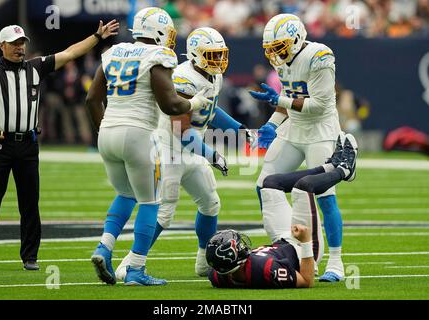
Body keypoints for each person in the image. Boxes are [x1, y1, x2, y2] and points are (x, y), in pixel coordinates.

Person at [0, 20, 119, 272]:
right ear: (2, 46)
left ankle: (30, 256)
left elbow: (71, 52)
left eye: (22, 43)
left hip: (28, 145)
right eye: (14, 43)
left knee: (30, 203)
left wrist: (97, 36)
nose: (19, 48)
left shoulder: (36, 67)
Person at [85, 7, 211, 286]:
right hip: (138, 133)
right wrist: (195, 103)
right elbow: (170, 104)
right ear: (159, 31)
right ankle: (136, 269)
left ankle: (104, 247)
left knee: (125, 194)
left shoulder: (113, 52)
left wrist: (106, 129)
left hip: (107, 133)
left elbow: (92, 99)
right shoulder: (158, 55)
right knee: (150, 202)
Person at [122, 27, 257, 279]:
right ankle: (131, 264)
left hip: (189, 148)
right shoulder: (183, 77)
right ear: (195, 54)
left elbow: (210, 112)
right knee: (163, 211)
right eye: (212, 54)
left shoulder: (212, 76)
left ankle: (204, 262)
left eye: (220, 54)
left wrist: (238, 129)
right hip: (167, 148)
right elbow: (180, 129)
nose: (218, 60)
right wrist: (211, 154)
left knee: (210, 202)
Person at [249, 14, 345, 282]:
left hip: (321, 130)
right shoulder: (285, 60)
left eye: (279, 47)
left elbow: (320, 105)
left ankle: (335, 261)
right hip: (294, 128)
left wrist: (280, 100)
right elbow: (288, 99)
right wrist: (272, 123)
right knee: (264, 184)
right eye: (272, 48)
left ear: (296, 40)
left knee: (325, 197)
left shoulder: (319, 56)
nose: (275, 54)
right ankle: (284, 246)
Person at [206, 133, 358, 288]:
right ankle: (344, 171)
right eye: (238, 247)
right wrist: (305, 241)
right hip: (303, 247)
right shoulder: (264, 270)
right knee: (303, 187)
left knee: (269, 183)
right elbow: (307, 281)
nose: (243, 246)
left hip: (281, 240)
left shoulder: (219, 275)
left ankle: (329, 166)